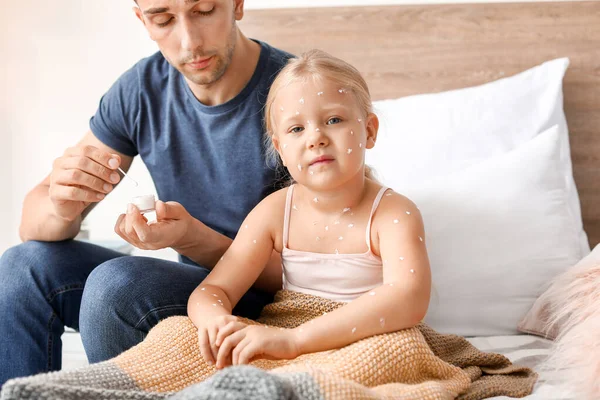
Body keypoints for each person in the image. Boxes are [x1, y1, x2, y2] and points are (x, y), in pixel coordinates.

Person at [0, 0, 292, 387]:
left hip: (268, 299)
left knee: (115, 284)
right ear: (143, 20)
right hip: (189, 290)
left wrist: (192, 238)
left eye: (204, 10)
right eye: (163, 19)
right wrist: (61, 204)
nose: (189, 42)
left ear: (237, 4)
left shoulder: (297, 91)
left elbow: (312, 273)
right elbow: (32, 227)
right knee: (23, 266)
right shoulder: (142, 89)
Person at [187, 49, 432, 369]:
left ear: (369, 130)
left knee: (395, 355)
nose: (315, 138)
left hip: (369, 337)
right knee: (174, 335)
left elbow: (408, 298)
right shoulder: (273, 212)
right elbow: (213, 289)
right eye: (296, 129)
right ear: (280, 149)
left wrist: (296, 341)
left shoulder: (393, 214)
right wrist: (217, 322)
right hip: (284, 330)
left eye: (333, 120)